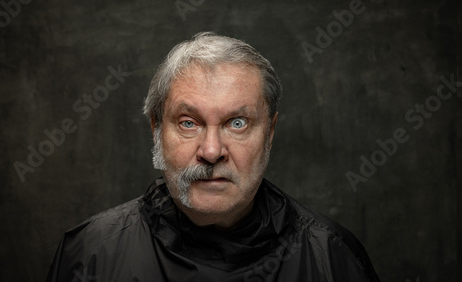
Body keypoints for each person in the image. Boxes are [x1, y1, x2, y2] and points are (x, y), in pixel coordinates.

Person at [46, 32, 380, 282]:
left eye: (237, 123)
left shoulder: (331, 258)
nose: (211, 151)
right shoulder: (91, 255)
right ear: (156, 130)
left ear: (270, 133)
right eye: (189, 123)